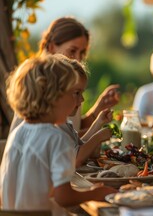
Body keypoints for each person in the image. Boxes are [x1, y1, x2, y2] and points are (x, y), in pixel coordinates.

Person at [1, 55, 117, 213]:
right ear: (53, 97)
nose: (79, 100)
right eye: (73, 93)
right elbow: (64, 197)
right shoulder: (56, 137)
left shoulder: (18, 132)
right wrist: (96, 193)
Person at [10, 17, 120, 134]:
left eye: (82, 53)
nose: (78, 59)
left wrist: (99, 108)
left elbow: (71, 129)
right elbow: (62, 140)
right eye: (72, 51)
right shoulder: (40, 83)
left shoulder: (69, 81)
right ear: (51, 47)